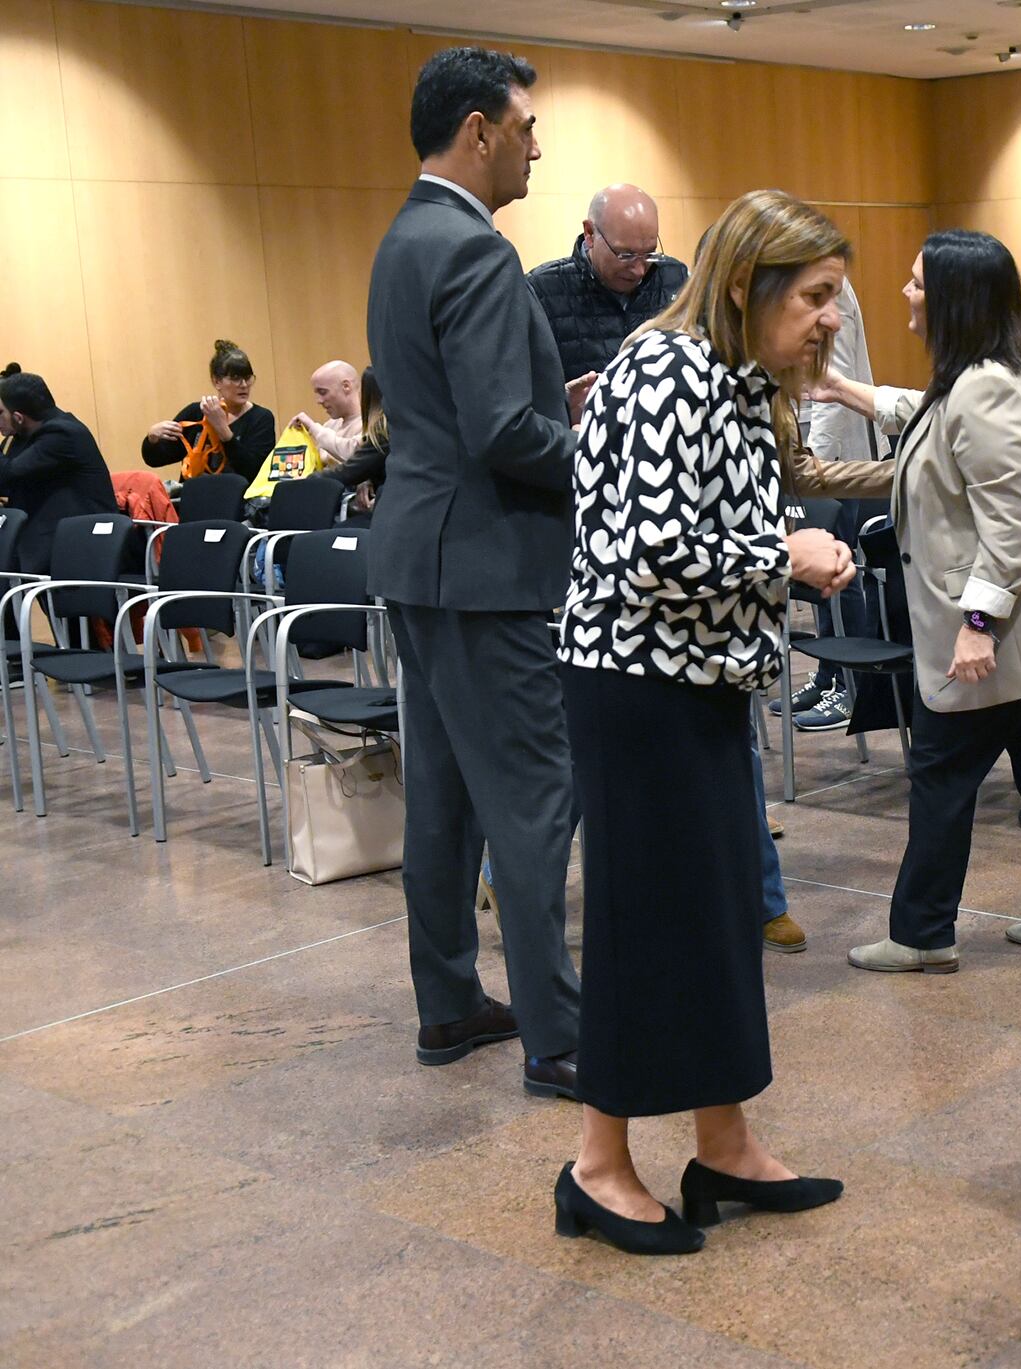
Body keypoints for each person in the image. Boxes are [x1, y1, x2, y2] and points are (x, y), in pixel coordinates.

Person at [553, 188, 856, 1256]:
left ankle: (722, 1142)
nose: (830, 316)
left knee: (719, 912)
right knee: (644, 923)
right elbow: (647, 551)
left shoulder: (735, 380)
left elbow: (705, 518)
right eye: (815, 296)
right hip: (636, 685)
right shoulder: (661, 370)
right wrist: (787, 556)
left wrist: (776, 536)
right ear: (745, 286)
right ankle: (596, 1165)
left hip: (703, 677)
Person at [366, 46, 597, 1101]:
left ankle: (450, 1000)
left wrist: (558, 407)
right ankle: (557, 1034)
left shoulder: (403, 237)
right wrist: (598, 447)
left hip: (422, 554)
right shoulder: (476, 251)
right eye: (524, 125)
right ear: (477, 131)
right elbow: (505, 431)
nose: (535, 144)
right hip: (491, 565)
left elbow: (455, 412)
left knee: (446, 801)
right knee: (533, 799)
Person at [814, 230, 1021, 974]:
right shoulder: (989, 373)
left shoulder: (986, 386)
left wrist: (978, 624)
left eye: (918, 284)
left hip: (997, 628)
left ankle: (923, 932)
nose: (906, 295)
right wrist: (847, 390)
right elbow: (931, 417)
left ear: (955, 298)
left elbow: (1011, 522)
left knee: (944, 772)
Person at [782, 276, 884, 734]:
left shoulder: (824, 284)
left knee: (842, 572)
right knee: (819, 574)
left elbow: (831, 381)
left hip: (830, 452)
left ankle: (850, 686)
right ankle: (827, 675)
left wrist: (814, 468)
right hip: (806, 451)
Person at [527, 183, 690, 382]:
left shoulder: (677, 279)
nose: (639, 270)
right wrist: (566, 402)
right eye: (625, 255)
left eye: (649, 254)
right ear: (590, 234)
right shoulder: (542, 291)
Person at [0, 366, 117, 574]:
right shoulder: (23, 436)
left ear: (19, 417)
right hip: (46, 535)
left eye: (0, 412)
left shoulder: (63, 434)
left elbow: (8, 474)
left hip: (79, 546)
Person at [140, 340, 277, 482]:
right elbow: (156, 459)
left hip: (239, 500)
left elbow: (254, 472)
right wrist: (152, 438)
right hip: (196, 496)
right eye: (235, 378)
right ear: (217, 381)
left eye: (247, 378)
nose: (244, 385)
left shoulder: (261, 418)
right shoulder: (196, 412)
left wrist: (224, 432)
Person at [329, 366, 389, 523]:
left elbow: (348, 471)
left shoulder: (383, 430)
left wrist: (305, 480)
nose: (319, 401)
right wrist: (367, 478)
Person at [288, 360, 364, 470]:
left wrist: (313, 427)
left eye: (323, 392)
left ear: (346, 386)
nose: (319, 401)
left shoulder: (372, 424)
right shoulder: (329, 425)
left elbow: (354, 457)